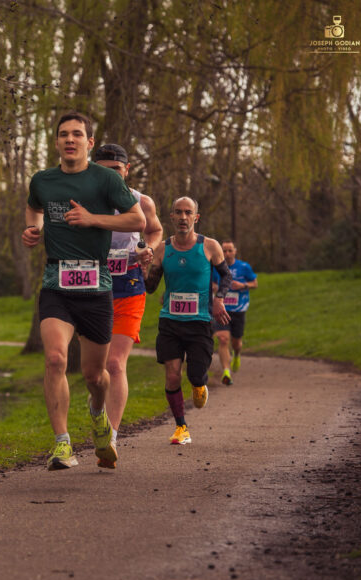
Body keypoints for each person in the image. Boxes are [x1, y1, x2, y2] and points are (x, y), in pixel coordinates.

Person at [21, 113, 146, 471]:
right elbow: (34, 206)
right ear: (57, 141)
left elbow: (137, 220)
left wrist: (93, 219)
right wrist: (33, 228)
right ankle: (62, 444)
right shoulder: (43, 180)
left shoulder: (105, 179)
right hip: (56, 282)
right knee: (56, 359)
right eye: (63, 135)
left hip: (97, 285)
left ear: (89, 143)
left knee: (95, 375)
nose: (70, 140)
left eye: (77, 134)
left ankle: (97, 413)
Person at [92, 144, 163, 467]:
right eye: (103, 168)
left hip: (129, 288)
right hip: (91, 289)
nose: (110, 174)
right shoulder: (84, 200)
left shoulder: (141, 201)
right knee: (95, 371)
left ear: (127, 169)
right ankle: (97, 411)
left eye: (115, 169)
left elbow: (155, 230)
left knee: (116, 365)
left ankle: (112, 438)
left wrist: (148, 248)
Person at [144, 197, 232, 445]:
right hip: (170, 321)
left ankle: (199, 384)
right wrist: (143, 272)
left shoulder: (210, 246)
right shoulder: (162, 249)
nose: (183, 217)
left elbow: (226, 276)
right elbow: (151, 287)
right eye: (178, 213)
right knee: (172, 375)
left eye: (188, 213)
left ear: (196, 217)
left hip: (200, 322)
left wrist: (219, 299)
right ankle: (181, 427)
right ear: (171, 217)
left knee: (195, 375)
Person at [212, 240, 258, 385]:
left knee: (236, 342)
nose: (227, 253)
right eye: (224, 251)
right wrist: (214, 288)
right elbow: (212, 283)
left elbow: (255, 283)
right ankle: (226, 371)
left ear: (235, 251)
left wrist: (243, 285)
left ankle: (237, 354)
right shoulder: (216, 268)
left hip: (239, 309)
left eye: (229, 250)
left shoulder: (244, 267)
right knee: (223, 338)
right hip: (222, 309)